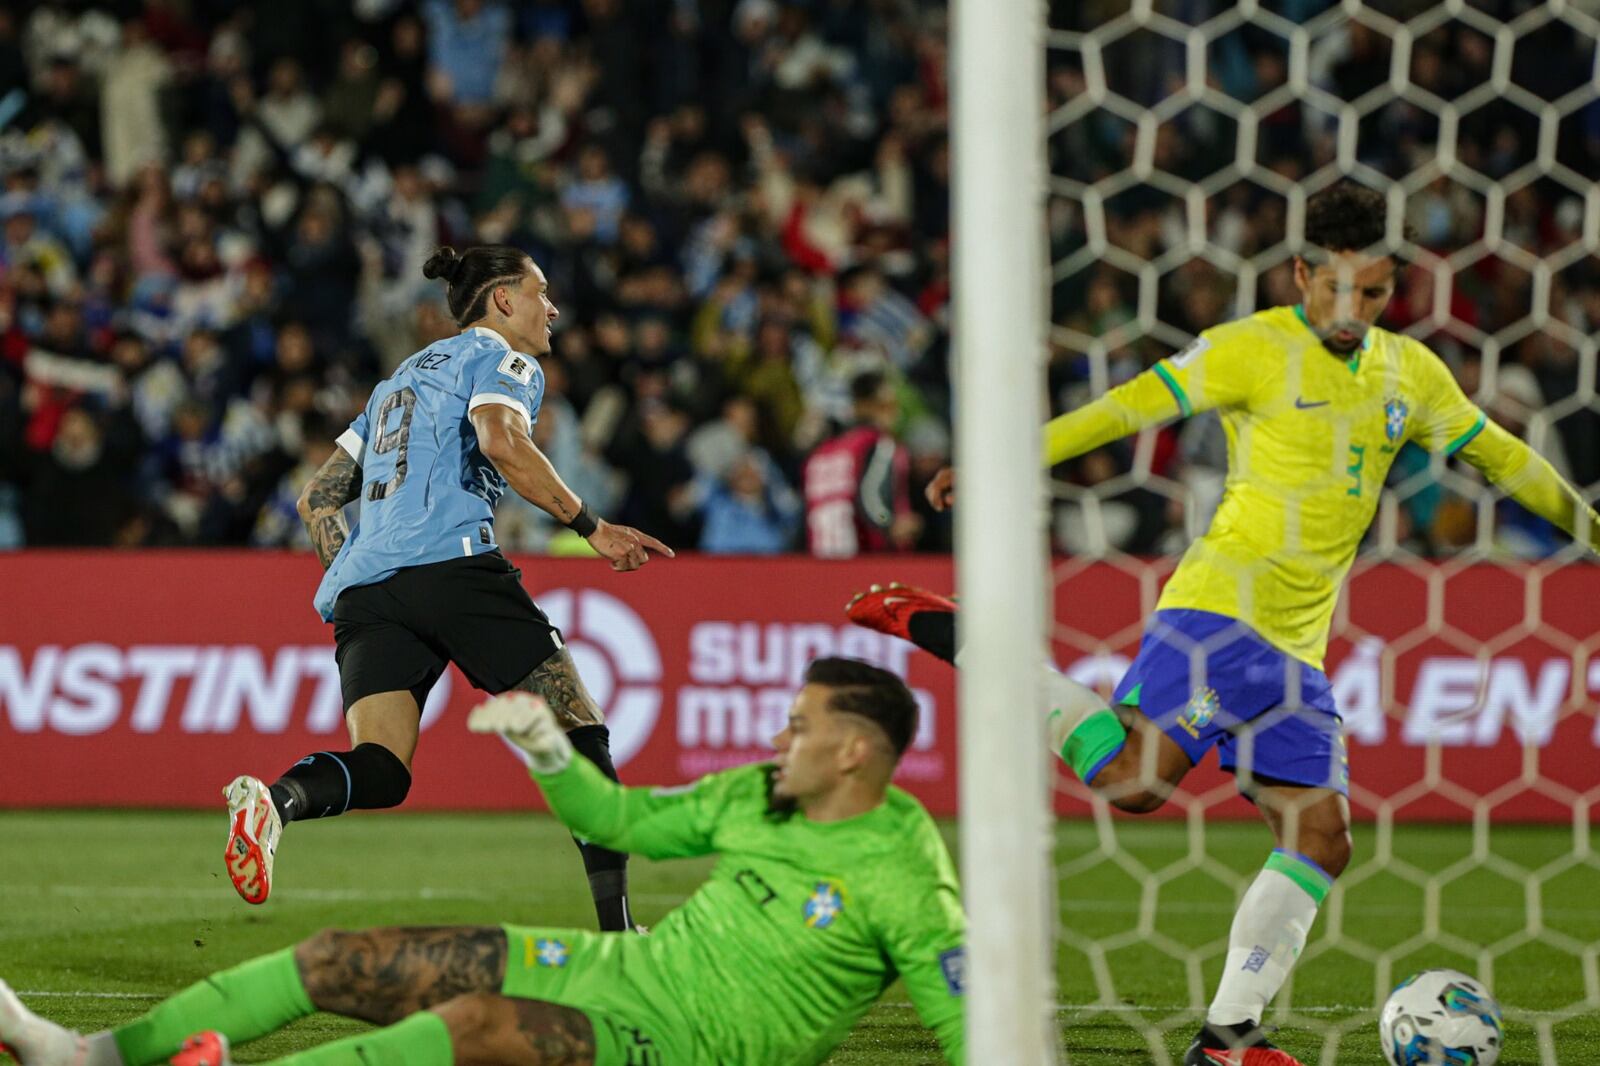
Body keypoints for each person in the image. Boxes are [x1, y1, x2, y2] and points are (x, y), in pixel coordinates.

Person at [847, 181, 1600, 1066]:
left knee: (1321, 836)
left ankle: (1229, 1039)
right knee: (1133, 784)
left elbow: (1503, 457)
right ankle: (968, 637)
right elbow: (1127, 406)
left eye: (1376, 293)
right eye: (1337, 288)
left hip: (1299, 647)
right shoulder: (1254, 348)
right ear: (1301, 274)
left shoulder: (1412, 372)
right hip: (1221, 610)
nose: (1354, 311)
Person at [1, 659, 966, 1066]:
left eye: (800, 728)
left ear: (853, 753)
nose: (779, 737)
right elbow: (620, 816)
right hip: (623, 974)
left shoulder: (906, 874)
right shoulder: (759, 793)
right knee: (342, 955)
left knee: (474, 1024)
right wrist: (550, 753)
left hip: (689, 1049)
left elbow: (977, 1033)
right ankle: (89, 1056)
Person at [222, 244, 673, 936]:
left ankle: (278, 801)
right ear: (501, 302)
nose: (551, 308)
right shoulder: (504, 359)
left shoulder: (396, 381)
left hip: (365, 591)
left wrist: (356, 577)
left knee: (383, 768)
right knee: (581, 729)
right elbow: (499, 440)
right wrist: (593, 527)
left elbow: (317, 499)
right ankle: (618, 930)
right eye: (540, 292)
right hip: (453, 563)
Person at [802, 369, 920, 558]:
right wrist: (889, 525)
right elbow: (871, 498)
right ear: (865, 405)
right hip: (870, 559)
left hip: (822, 561)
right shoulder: (881, 444)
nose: (895, 412)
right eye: (887, 404)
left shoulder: (820, 454)